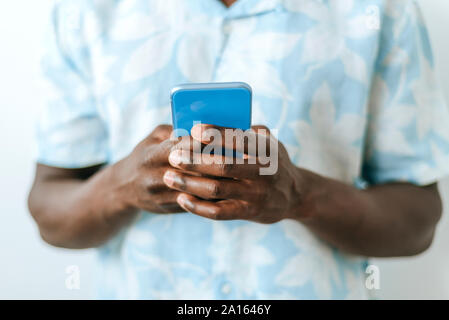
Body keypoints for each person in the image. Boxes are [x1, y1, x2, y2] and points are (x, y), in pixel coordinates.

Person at [28, 0, 449, 299]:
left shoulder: (382, 10)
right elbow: (50, 214)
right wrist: (123, 187)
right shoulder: (83, 12)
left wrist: (300, 195)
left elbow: (417, 223)